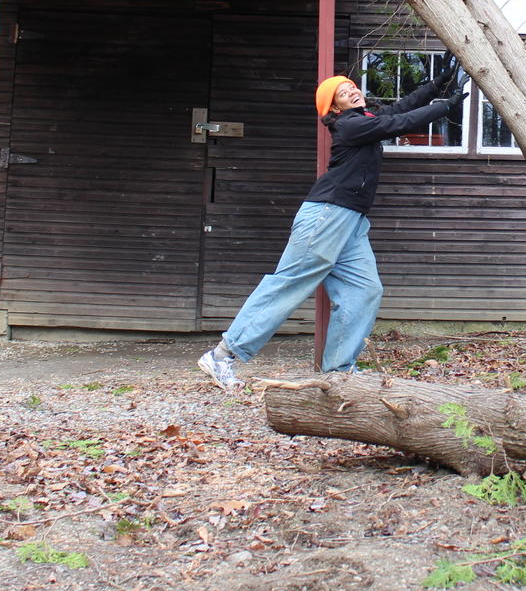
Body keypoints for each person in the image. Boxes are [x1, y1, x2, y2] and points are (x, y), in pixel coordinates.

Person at [198, 56, 467, 389]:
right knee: (290, 283)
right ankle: (222, 355)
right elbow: (399, 123)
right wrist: (445, 106)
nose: (352, 92)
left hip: (351, 219)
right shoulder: (350, 125)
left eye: (352, 87)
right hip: (327, 214)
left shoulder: (366, 117)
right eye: (343, 92)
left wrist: (435, 85)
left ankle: (338, 369)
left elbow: (402, 107)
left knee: (365, 290)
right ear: (334, 107)